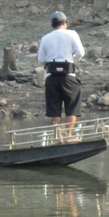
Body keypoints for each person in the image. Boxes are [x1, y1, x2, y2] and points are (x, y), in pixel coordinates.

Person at [37, 11, 85, 142]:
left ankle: (58, 137)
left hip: (51, 77)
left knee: (54, 107)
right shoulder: (72, 34)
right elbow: (81, 52)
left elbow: (41, 59)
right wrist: (72, 62)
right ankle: (69, 135)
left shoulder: (46, 38)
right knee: (72, 106)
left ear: (52, 24)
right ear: (64, 22)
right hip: (68, 76)